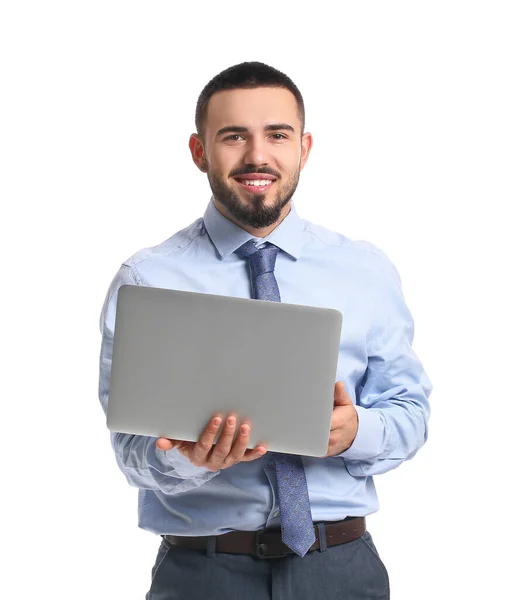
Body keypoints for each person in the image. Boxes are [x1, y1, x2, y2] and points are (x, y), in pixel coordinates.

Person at [98, 61, 432, 600]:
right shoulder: (148, 279)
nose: (258, 156)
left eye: (277, 135)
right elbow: (131, 450)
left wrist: (354, 433)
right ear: (199, 151)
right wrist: (185, 458)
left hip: (342, 569)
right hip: (204, 576)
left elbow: (411, 413)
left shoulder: (364, 271)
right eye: (234, 137)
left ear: (304, 147)